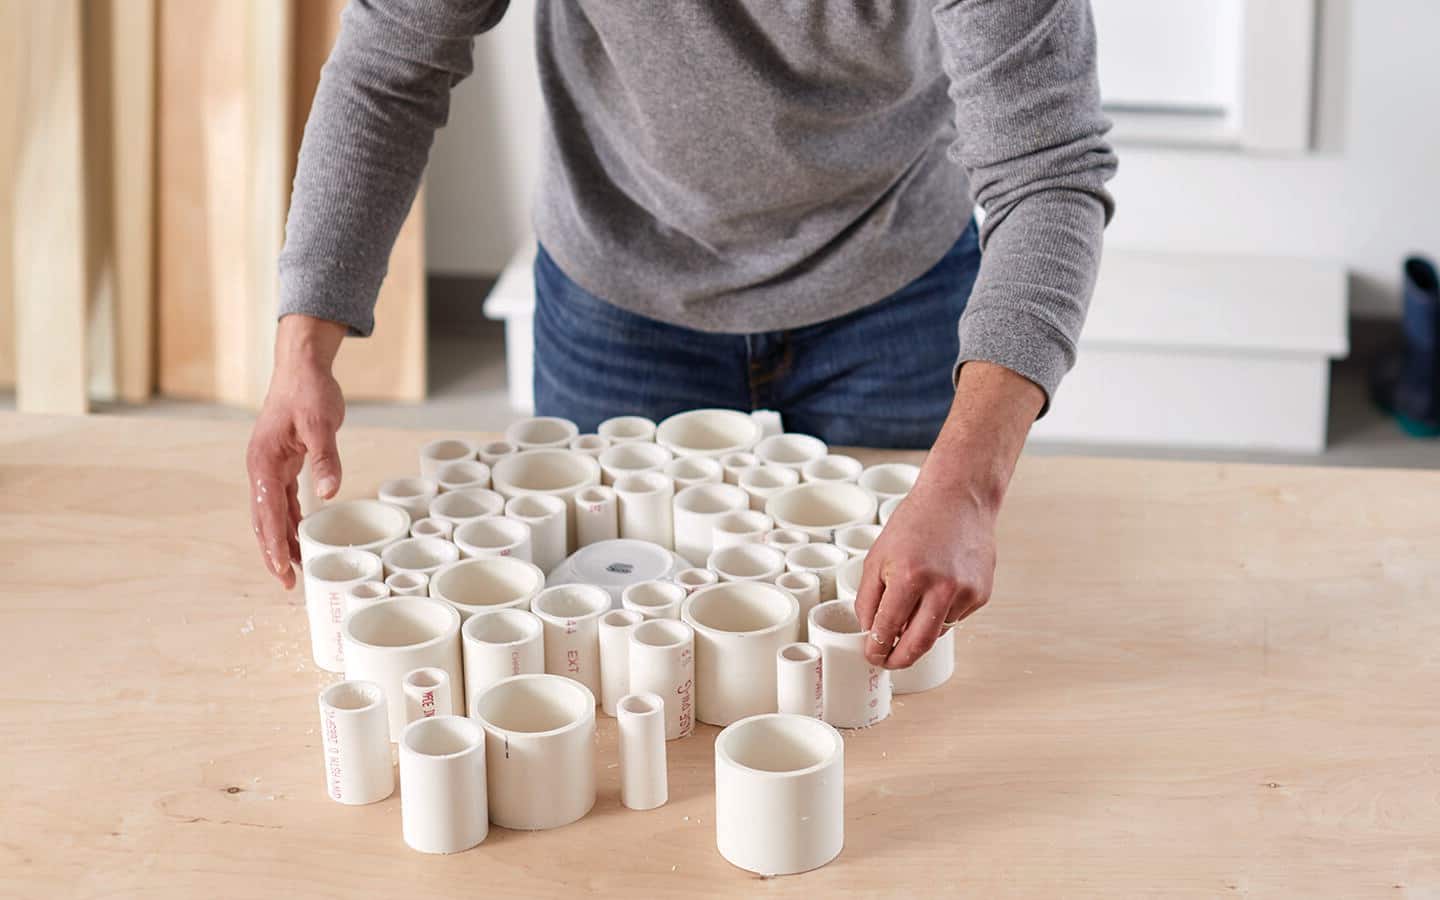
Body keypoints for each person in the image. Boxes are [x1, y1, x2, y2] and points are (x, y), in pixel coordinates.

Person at [247, 0, 1117, 672]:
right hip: (618, 296)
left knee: (881, 665)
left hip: (890, 289)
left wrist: (967, 489)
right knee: (604, 657)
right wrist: (303, 346)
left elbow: (1048, 172)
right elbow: (390, 65)